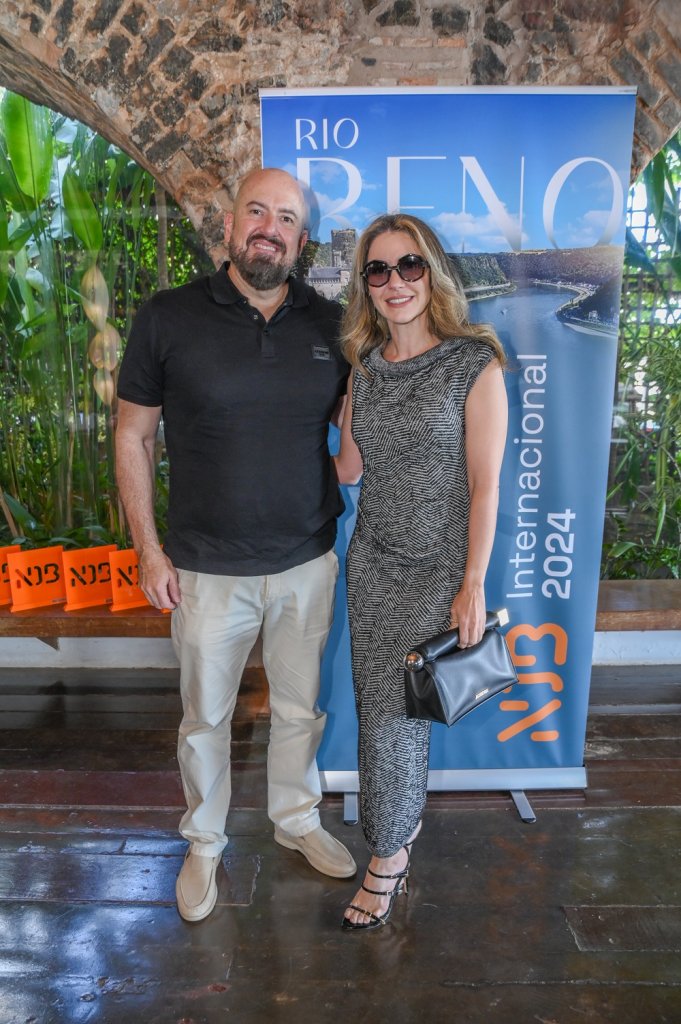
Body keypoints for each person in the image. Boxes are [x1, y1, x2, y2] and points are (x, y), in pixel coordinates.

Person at [115, 167, 357, 924]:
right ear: (229, 225)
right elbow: (131, 436)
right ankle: (204, 843)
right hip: (204, 569)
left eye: (285, 219)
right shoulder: (167, 317)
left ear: (301, 240)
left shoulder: (332, 325)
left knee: (298, 711)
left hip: (306, 561)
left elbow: (354, 441)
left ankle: (296, 820)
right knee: (204, 722)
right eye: (257, 211)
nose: (268, 229)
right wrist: (149, 551)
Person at [333, 213, 508, 930]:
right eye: (378, 270)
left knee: (396, 719)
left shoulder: (474, 363)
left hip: (437, 568)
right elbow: (349, 469)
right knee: (378, 712)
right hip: (372, 564)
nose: (394, 282)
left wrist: (473, 582)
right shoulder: (364, 369)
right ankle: (395, 839)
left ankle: (387, 855)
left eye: (409, 266)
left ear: (431, 273)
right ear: (365, 286)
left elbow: (485, 486)